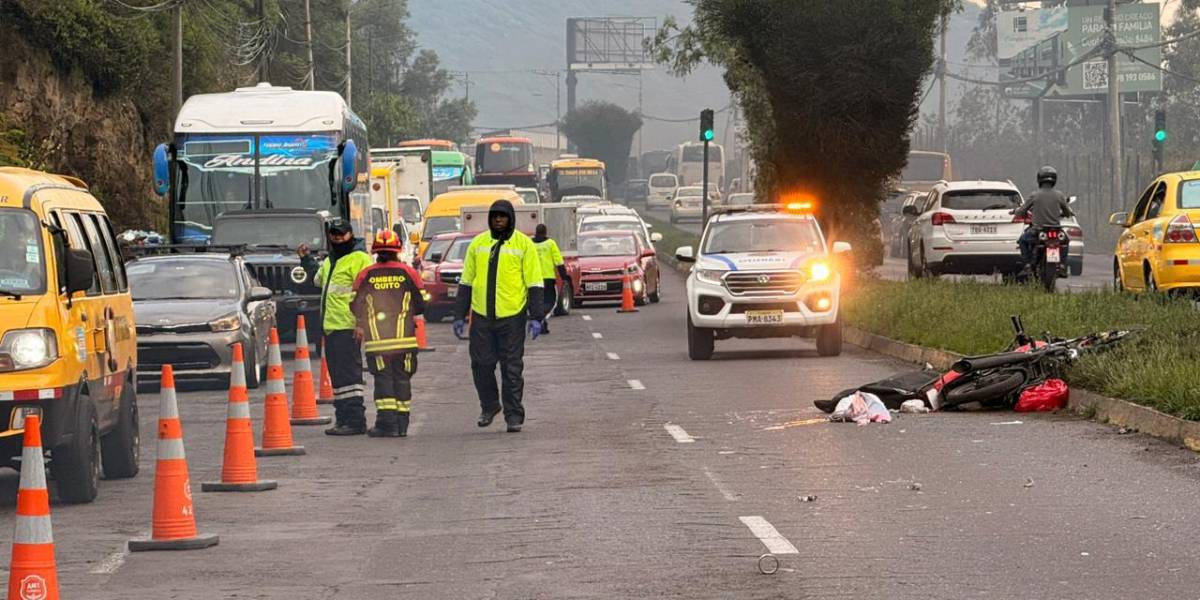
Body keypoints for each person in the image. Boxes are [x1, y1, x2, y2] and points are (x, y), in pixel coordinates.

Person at [452, 200, 544, 433]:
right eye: (495, 216)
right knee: (481, 365)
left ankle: (514, 415)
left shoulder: (524, 245)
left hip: (512, 317)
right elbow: (466, 282)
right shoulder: (478, 244)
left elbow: (534, 283)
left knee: (511, 369)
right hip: (482, 317)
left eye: (503, 216)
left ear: (510, 218)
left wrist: (536, 316)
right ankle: (490, 405)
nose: (499, 220)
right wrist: (459, 315)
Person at [299, 218, 374, 435]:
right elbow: (318, 279)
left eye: (342, 234)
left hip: (348, 326)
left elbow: (366, 292)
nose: (338, 238)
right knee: (339, 377)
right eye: (334, 234)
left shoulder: (359, 259)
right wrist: (306, 260)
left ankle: (355, 420)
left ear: (351, 235)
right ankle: (343, 419)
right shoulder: (332, 260)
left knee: (349, 376)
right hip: (331, 327)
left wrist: (361, 323)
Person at [350, 230, 427, 438]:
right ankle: (402, 425)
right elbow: (421, 303)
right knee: (403, 379)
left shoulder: (366, 274)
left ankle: (386, 424)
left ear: (375, 252)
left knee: (383, 380)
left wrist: (361, 322)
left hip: (378, 342)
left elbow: (355, 305)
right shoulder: (408, 272)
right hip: (405, 340)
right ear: (397, 251)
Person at [1014, 166, 1073, 272]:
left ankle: (1027, 264)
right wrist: (1066, 214)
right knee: (1066, 241)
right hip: (1056, 230)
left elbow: (1022, 210)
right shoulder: (1059, 195)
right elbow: (1067, 212)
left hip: (1037, 231)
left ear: (1039, 179)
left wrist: (1016, 212)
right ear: (1054, 180)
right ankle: (1063, 265)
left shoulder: (1035, 195)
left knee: (1022, 240)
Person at [531, 223, 570, 334]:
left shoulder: (530, 244)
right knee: (551, 302)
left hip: (533, 279)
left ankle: (541, 323)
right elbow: (558, 261)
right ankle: (541, 319)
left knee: (537, 302)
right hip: (548, 278)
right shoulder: (550, 244)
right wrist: (564, 277)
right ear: (545, 232)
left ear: (536, 232)